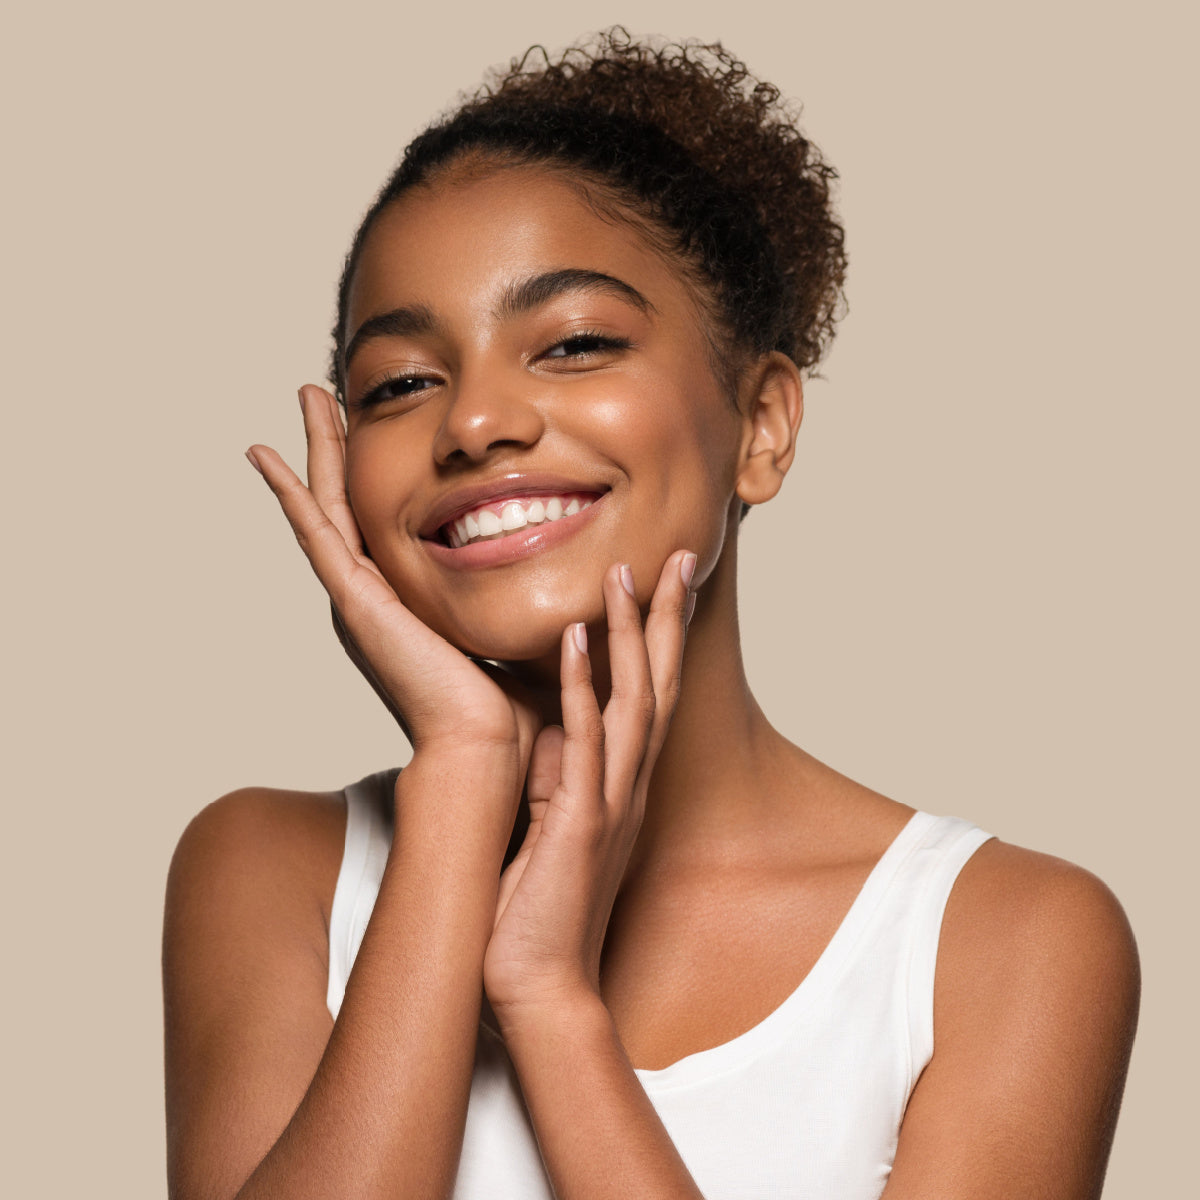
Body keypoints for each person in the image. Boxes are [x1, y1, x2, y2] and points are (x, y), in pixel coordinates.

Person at [162, 30, 1139, 1200]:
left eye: (573, 345)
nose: (473, 422)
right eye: (401, 384)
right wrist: (463, 784)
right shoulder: (269, 873)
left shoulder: (1004, 940)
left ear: (764, 426)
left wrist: (551, 1004)